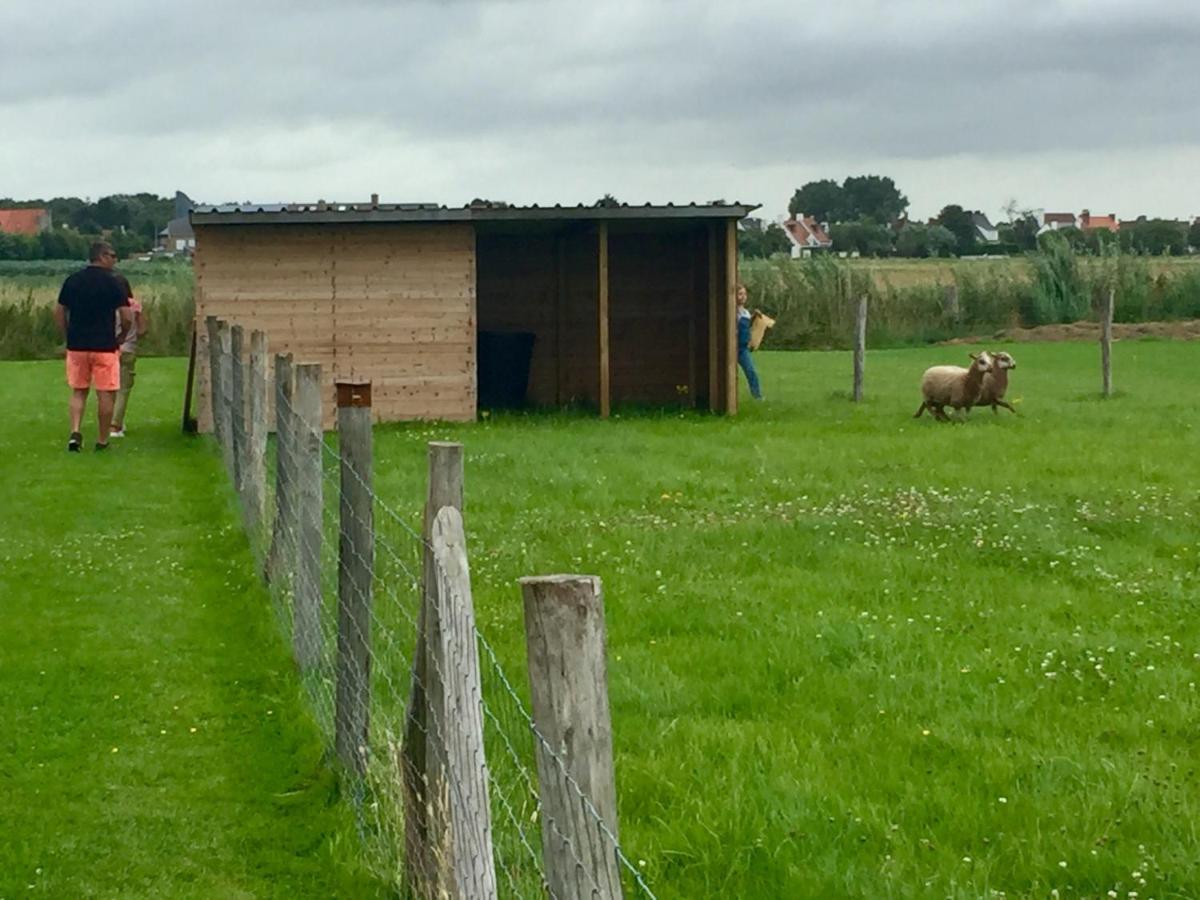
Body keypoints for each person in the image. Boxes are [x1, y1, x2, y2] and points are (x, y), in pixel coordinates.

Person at [54, 242, 132, 451]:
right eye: (113, 256)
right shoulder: (114, 283)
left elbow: (60, 312)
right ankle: (102, 439)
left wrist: (66, 334)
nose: (115, 260)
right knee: (105, 393)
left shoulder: (72, 281)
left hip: (77, 345)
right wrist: (122, 336)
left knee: (78, 391)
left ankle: (75, 431)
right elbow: (126, 316)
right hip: (105, 345)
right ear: (102, 256)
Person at [110, 273, 147, 438]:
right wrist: (134, 336)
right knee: (123, 390)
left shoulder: (107, 305)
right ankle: (115, 425)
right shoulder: (135, 306)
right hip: (128, 349)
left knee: (109, 388)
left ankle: (112, 420)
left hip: (109, 350)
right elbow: (143, 330)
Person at [735, 283, 763, 400]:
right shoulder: (732, 311)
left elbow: (746, 326)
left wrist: (754, 317)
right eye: (740, 294)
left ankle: (757, 397)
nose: (743, 297)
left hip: (743, 348)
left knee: (751, 372)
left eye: (744, 294)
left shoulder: (745, 312)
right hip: (733, 348)